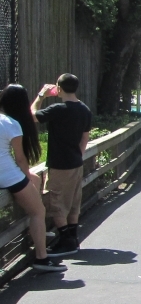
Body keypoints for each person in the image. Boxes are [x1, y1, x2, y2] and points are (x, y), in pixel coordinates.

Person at [0, 85, 65, 272]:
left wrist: (29, 179)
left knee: (35, 179)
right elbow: (20, 159)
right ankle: (41, 258)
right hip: (7, 175)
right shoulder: (11, 124)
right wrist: (25, 177)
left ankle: (36, 233)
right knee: (38, 211)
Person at [32, 73, 92, 258]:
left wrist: (41, 96)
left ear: (58, 88)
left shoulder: (58, 109)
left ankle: (66, 241)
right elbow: (85, 137)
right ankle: (73, 237)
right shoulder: (85, 110)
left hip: (59, 164)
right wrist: (77, 155)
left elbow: (32, 115)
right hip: (76, 162)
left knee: (56, 203)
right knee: (73, 202)